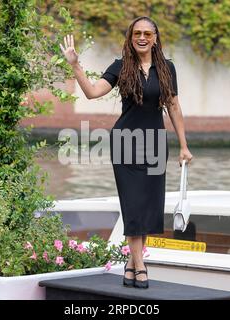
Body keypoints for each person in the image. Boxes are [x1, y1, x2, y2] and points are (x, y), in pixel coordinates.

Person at [60, 16, 193, 289]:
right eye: (137, 34)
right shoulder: (120, 66)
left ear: (155, 38)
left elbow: (174, 107)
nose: (142, 38)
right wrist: (75, 65)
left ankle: (132, 265)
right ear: (130, 38)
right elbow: (93, 92)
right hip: (125, 142)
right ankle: (141, 264)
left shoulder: (167, 69)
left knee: (149, 205)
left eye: (147, 33)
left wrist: (184, 145)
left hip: (156, 144)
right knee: (133, 203)